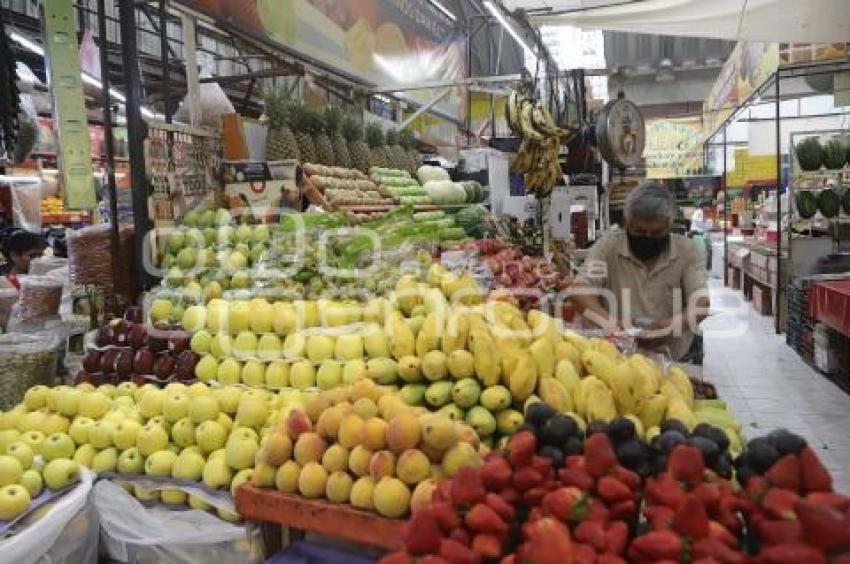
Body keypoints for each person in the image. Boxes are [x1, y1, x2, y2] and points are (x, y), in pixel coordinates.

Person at [573, 182, 709, 360]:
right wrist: (613, 325)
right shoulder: (608, 248)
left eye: (656, 232)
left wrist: (670, 327)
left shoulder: (687, 251)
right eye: (639, 231)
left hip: (673, 359)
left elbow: (700, 304)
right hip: (614, 358)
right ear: (626, 224)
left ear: (669, 225)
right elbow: (579, 291)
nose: (647, 238)